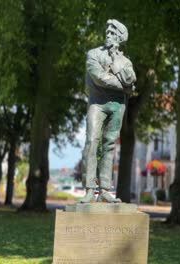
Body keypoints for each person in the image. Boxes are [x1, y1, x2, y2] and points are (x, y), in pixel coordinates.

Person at [79, 19, 136, 203]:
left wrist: (116, 63)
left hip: (118, 105)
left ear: (120, 38)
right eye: (108, 32)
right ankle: (89, 188)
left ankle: (104, 189)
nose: (108, 35)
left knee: (110, 145)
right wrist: (124, 87)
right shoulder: (93, 54)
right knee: (92, 141)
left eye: (113, 33)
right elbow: (99, 78)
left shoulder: (125, 62)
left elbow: (131, 81)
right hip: (97, 103)